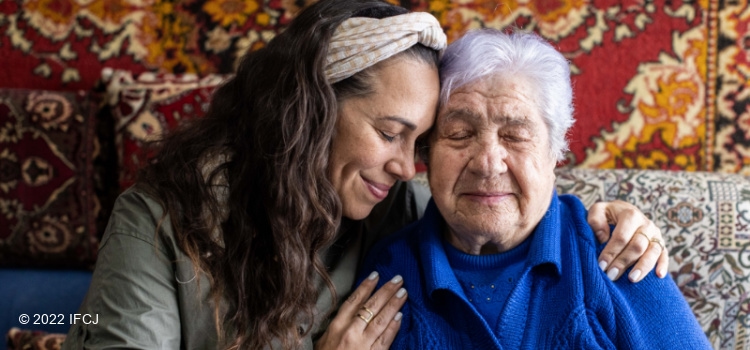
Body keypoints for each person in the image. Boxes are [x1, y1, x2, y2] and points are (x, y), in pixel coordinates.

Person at [63, 1, 668, 349]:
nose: (411, 166)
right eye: (390, 132)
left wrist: (608, 217)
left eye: (423, 140)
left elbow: (499, 196)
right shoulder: (159, 221)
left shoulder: (390, 205)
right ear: (311, 112)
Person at [357, 29, 711, 349]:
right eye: (460, 134)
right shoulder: (388, 272)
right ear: (427, 151)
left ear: (554, 152)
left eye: (515, 135)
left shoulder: (617, 254)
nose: (487, 162)